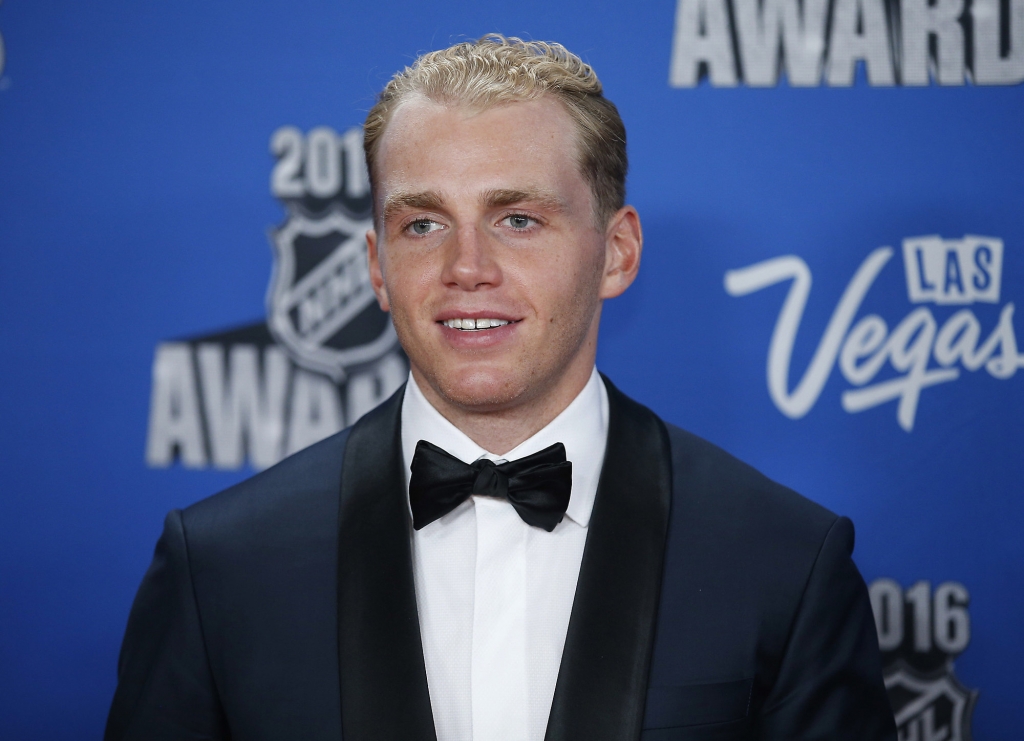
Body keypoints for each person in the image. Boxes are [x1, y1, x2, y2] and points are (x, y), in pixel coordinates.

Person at [105, 35, 897, 741]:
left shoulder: (785, 562)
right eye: (423, 224)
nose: (467, 268)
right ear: (377, 267)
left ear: (616, 253)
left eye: (517, 218)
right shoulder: (220, 567)